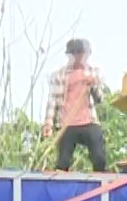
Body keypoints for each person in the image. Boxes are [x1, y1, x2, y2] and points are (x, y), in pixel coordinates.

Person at [42, 38, 107, 172]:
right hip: (67, 123)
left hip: (88, 120)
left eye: (80, 53)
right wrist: (48, 123)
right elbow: (53, 100)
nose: (78, 56)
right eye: (74, 53)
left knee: (99, 156)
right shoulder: (58, 75)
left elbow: (100, 99)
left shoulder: (94, 72)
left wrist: (93, 84)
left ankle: (101, 177)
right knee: (63, 161)